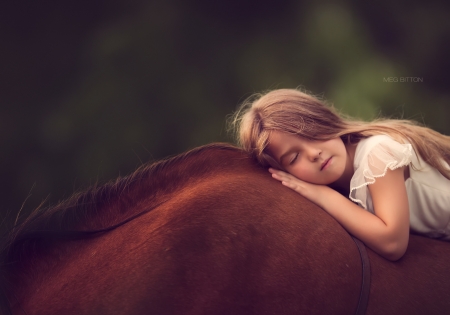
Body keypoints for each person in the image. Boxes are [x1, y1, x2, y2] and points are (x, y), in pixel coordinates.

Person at [230, 88, 450, 261]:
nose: (314, 153)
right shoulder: (346, 186)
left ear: (324, 119)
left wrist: (323, 196)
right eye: (294, 157)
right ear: (285, 172)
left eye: (312, 134)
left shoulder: (377, 154)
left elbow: (393, 243)